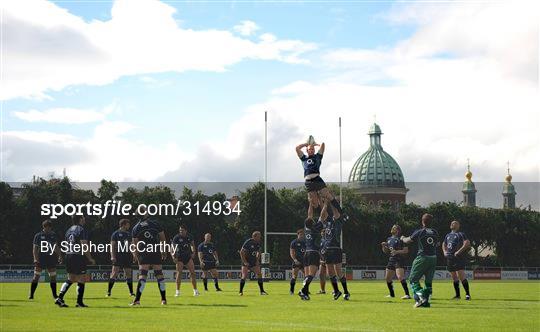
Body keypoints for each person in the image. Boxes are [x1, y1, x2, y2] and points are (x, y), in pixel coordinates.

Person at [295, 140, 343, 220]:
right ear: (307, 150)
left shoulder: (317, 156)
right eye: (310, 149)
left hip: (317, 179)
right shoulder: (304, 158)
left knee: (329, 196)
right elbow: (297, 148)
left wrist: (316, 144)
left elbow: (323, 145)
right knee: (315, 204)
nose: (311, 150)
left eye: (313, 149)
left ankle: (342, 213)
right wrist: (306, 144)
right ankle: (326, 218)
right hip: (308, 182)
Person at [55, 215, 96, 308]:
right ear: (80, 219)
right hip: (78, 256)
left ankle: (59, 298)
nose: (84, 219)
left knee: (71, 278)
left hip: (69, 255)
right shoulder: (81, 229)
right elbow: (84, 245)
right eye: (83, 218)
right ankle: (79, 302)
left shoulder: (69, 230)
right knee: (81, 279)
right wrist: (90, 258)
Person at [401, 213, 439, 308]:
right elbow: (437, 244)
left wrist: (402, 238)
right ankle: (426, 301)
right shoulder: (435, 232)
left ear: (422, 221)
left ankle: (421, 298)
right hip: (433, 258)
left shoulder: (420, 232)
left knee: (413, 279)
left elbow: (408, 240)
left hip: (422, 257)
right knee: (428, 281)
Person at [130, 211, 168, 306]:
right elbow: (163, 239)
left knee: (142, 276)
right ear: (145, 214)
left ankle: (137, 300)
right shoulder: (155, 224)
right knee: (159, 275)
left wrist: (136, 256)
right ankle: (163, 300)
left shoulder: (136, 228)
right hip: (155, 251)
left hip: (144, 253)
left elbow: (136, 244)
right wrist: (163, 251)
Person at [321, 205, 350, 301]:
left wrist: (332, 202)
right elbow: (322, 214)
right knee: (330, 273)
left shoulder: (338, 221)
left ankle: (346, 292)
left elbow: (336, 213)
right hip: (328, 250)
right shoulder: (328, 221)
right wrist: (325, 203)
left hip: (336, 248)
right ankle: (337, 291)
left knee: (338, 272)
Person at [298, 204, 327, 300]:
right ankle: (302, 290)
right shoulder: (316, 228)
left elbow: (309, 216)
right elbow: (322, 216)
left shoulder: (306, 229)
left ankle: (304, 293)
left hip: (306, 253)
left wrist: (310, 203)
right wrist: (326, 203)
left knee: (307, 275)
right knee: (312, 274)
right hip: (313, 253)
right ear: (313, 222)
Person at [29, 219, 62, 300]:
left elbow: (56, 247)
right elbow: (35, 249)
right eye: (47, 228)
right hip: (41, 257)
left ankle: (55, 295)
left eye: (50, 228)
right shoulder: (38, 235)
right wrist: (35, 259)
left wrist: (59, 256)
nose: (49, 229)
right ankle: (31, 294)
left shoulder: (53, 235)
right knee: (36, 276)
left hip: (50, 257)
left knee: (53, 276)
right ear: (44, 227)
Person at [442, 220, 471, 300]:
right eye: (451, 223)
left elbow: (467, 242)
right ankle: (457, 295)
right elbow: (444, 244)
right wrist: (444, 251)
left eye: (454, 223)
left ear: (458, 226)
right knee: (454, 277)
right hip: (450, 258)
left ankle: (467, 294)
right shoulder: (447, 235)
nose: (452, 224)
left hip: (458, 258)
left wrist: (459, 251)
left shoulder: (461, 234)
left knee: (461, 276)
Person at [381, 224, 410, 299]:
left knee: (400, 277)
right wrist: (383, 246)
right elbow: (386, 251)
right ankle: (392, 294)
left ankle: (407, 294)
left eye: (394, 228)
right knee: (387, 278)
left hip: (399, 260)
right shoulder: (389, 239)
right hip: (391, 259)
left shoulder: (401, 239)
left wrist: (396, 252)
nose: (392, 229)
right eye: (392, 227)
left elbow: (406, 251)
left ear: (398, 230)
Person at [107, 219, 134, 297]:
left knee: (128, 274)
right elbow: (112, 246)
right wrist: (112, 256)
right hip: (118, 256)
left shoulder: (129, 234)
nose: (129, 226)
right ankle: (108, 292)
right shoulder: (115, 234)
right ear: (124, 224)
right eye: (128, 224)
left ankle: (131, 292)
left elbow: (131, 246)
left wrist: (134, 255)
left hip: (127, 256)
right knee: (114, 273)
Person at [171, 225, 199, 296]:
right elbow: (172, 248)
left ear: (186, 231)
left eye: (182, 230)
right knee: (179, 273)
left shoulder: (189, 237)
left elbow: (192, 245)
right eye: (180, 230)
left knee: (193, 273)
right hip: (179, 258)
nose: (181, 231)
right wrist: (173, 257)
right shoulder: (176, 237)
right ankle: (177, 291)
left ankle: (195, 291)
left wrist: (193, 252)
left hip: (188, 257)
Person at [239, 231, 267, 295]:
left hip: (253, 261)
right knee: (244, 276)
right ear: (254, 236)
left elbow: (259, 252)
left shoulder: (258, 243)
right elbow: (241, 252)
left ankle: (262, 291)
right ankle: (240, 291)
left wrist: (257, 260)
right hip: (246, 261)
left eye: (260, 237)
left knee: (259, 274)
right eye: (258, 237)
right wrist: (245, 262)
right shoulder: (248, 242)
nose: (260, 238)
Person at [289, 229, 306, 295]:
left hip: (304, 261)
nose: (302, 236)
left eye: (303, 235)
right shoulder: (294, 242)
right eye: (300, 234)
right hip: (297, 261)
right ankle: (291, 290)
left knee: (306, 275)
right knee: (294, 276)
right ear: (298, 234)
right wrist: (295, 260)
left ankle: (305, 289)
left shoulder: (306, 242)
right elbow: (291, 252)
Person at [318, 229, 327, 294]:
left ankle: (335, 290)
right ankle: (323, 290)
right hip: (322, 260)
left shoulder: (329, 240)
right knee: (321, 275)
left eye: (324, 232)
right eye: (322, 232)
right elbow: (319, 251)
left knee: (332, 275)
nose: (323, 233)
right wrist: (320, 259)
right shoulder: (319, 241)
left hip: (329, 260)